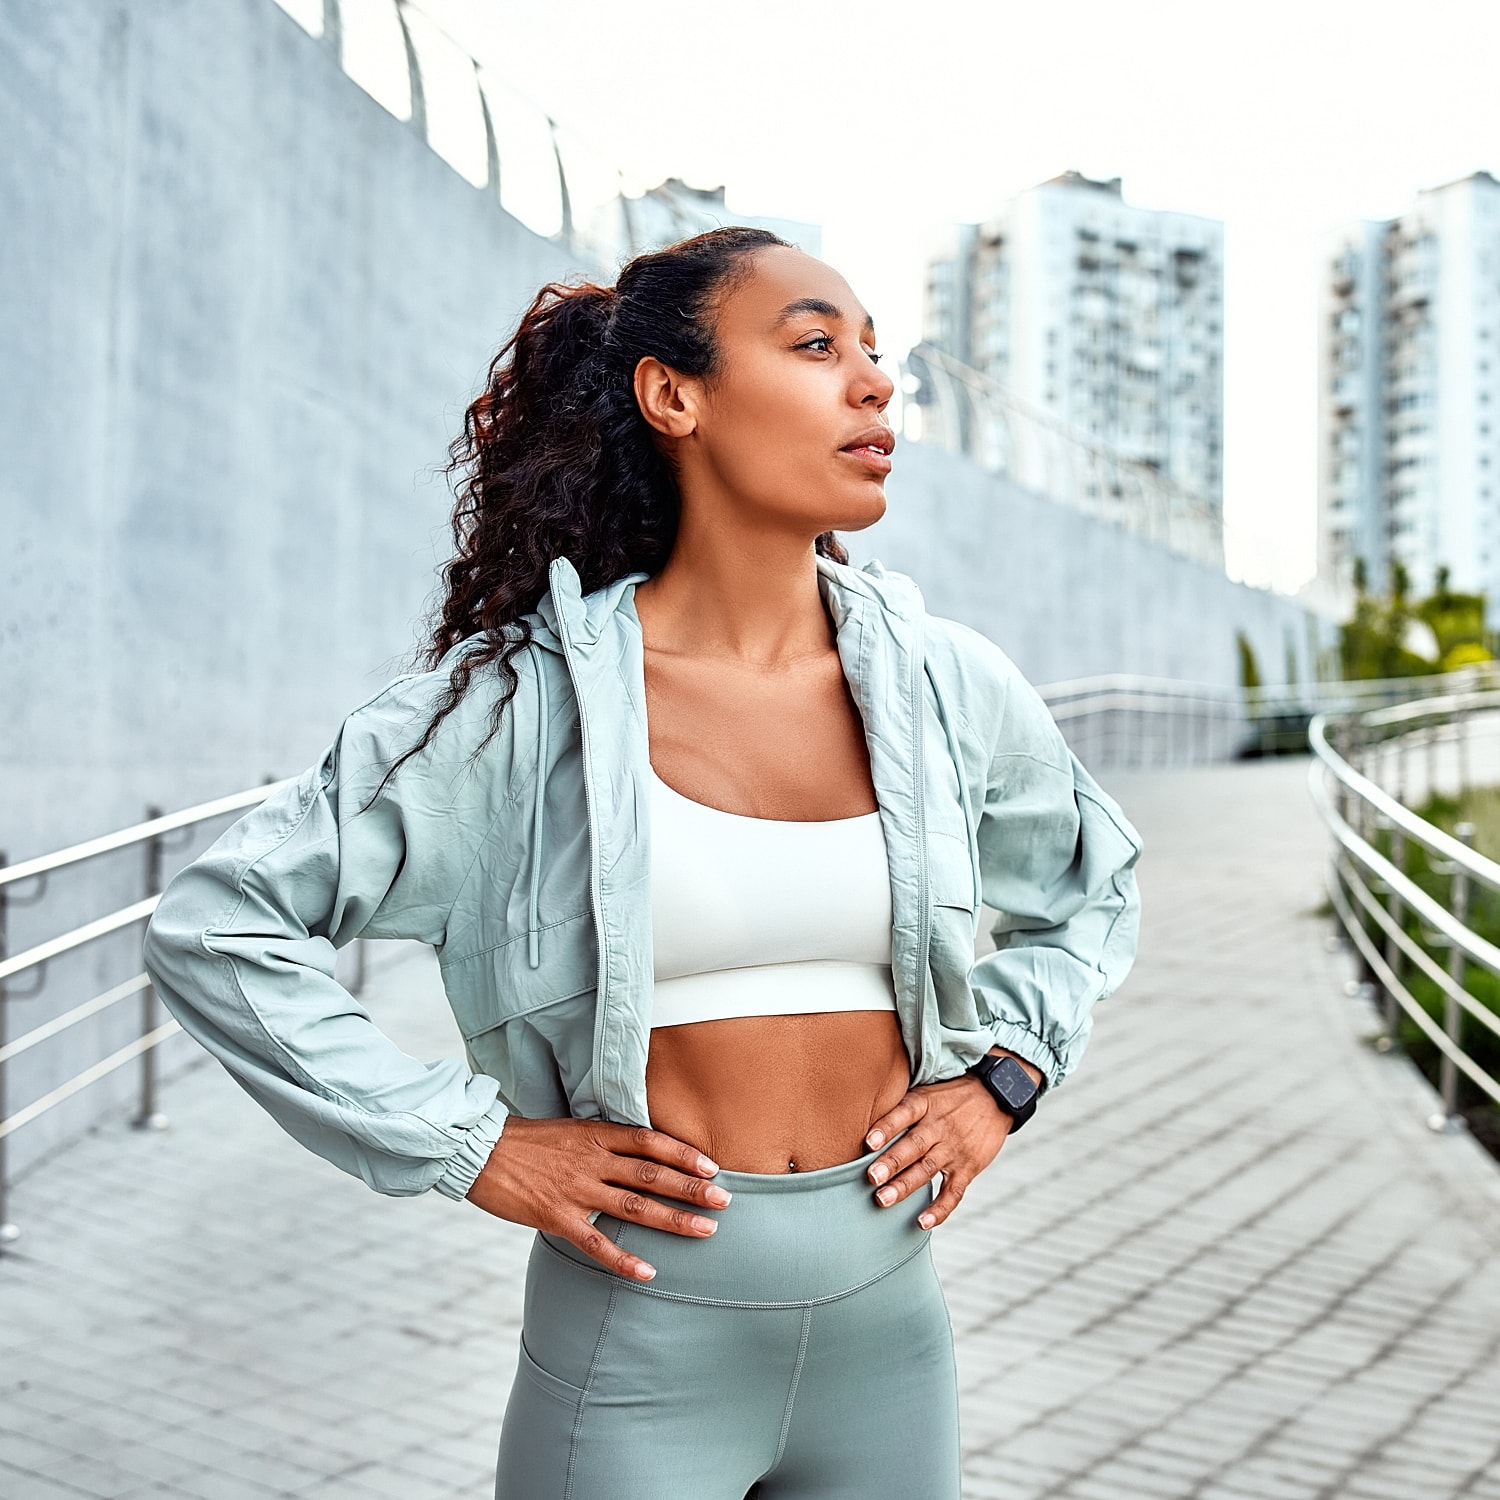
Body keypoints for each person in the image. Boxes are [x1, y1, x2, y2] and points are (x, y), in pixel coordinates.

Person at [143, 226, 1143, 1499]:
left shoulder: (947, 683)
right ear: (673, 395)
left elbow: (1091, 887)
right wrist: (475, 1145)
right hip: (636, 1353)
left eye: (878, 354)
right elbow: (217, 927)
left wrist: (1003, 1076)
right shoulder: (513, 709)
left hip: (892, 1342)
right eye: (817, 345)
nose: (877, 382)